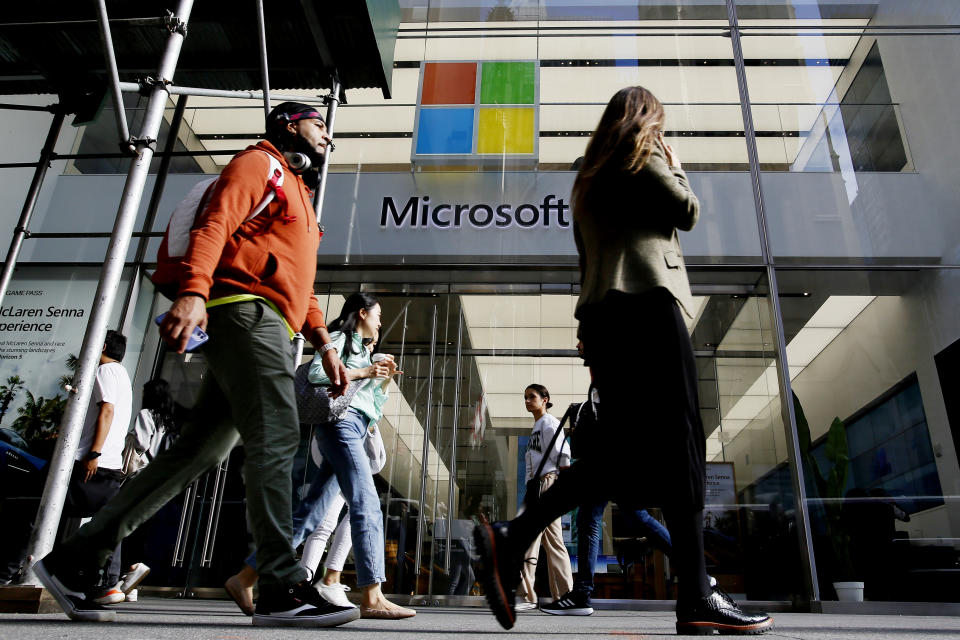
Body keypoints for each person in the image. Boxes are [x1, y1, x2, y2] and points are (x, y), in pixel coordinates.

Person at [35, 101, 358, 629]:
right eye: (319, 123)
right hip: (243, 312)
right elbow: (216, 224)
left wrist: (323, 342)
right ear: (288, 125)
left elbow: (299, 286)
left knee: (198, 451)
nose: (327, 134)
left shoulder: (301, 194)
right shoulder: (261, 163)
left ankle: (76, 562)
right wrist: (193, 292)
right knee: (275, 433)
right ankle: (279, 584)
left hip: (272, 318)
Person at [472, 86, 773, 635]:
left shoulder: (586, 179)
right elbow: (686, 212)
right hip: (650, 308)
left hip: (605, 321)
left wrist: (590, 335)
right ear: (646, 121)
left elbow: (586, 262)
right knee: (684, 442)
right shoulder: (644, 152)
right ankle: (697, 596)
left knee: (617, 457)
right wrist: (678, 167)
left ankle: (513, 537)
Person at [228, 294, 415, 620]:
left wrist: (381, 380)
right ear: (362, 313)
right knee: (367, 502)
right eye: (379, 315)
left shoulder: (364, 350)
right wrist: (365, 372)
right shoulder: (340, 339)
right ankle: (373, 594)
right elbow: (317, 374)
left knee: (310, 514)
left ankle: (245, 577)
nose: (381, 322)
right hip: (341, 427)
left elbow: (372, 407)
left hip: (354, 428)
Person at [60, 330, 132, 607]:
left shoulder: (105, 371)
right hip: (109, 463)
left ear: (101, 345)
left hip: (92, 460)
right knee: (108, 521)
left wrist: (93, 452)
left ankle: (15, 571)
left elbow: (107, 411)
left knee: (33, 509)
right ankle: (107, 582)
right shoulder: (122, 374)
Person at [116, 378, 181, 603]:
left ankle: (130, 569)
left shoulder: (146, 414)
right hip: (163, 481)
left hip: (142, 477)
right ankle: (131, 584)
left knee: (127, 525)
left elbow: (141, 445)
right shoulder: (171, 422)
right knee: (144, 530)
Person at [516, 384, 572, 611]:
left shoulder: (549, 422)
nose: (528, 401)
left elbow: (564, 453)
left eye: (532, 397)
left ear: (545, 399)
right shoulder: (538, 426)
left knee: (549, 541)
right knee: (537, 541)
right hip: (536, 486)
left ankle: (561, 595)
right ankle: (537, 596)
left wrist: (562, 487)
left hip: (547, 484)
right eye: (525, 397)